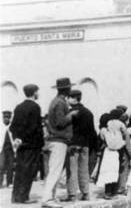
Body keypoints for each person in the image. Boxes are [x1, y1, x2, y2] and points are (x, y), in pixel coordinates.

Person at [42, 78, 78, 208]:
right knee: (55, 171)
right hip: (59, 140)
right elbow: (60, 122)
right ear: (67, 89)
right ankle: (47, 199)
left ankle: (51, 197)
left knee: (54, 170)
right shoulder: (60, 103)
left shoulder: (56, 101)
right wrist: (71, 115)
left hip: (55, 140)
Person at [9, 85, 43, 204]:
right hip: (31, 145)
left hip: (20, 145)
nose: (38, 94)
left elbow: (13, 126)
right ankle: (23, 197)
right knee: (29, 170)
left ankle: (16, 196)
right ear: (34, 93)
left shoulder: (18, 107)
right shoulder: (35, 107)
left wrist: (17, 139)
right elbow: (34, 128)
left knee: (19, 169)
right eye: (37, 92)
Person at [63, 90, 96, 201]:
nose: (67, 100)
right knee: (84, 169)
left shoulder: (70, 112)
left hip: (73, 144)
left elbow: (66, 129)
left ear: (74, 99)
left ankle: (72, 195)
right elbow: (92, 131)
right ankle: (85, 193)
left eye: (69, 98)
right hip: (85, 145)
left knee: (72, 170)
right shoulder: (88, 112)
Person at [96, 109, 131, 199]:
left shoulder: (107, 125)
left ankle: (107, 192)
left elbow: (103, 137)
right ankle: (113, 192)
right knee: (116, 171)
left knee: (108, 171)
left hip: (107, 151)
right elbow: (126, 138)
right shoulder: (121, 124)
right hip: (118, 151)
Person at [0, 111, 15, 188]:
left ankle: (9, 182)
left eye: (8, 117)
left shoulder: (12, 127)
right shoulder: (1, 127)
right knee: (1, 166)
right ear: (2, 118)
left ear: (10, 118)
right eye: (5, 117)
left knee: (10, 166)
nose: (6, 119)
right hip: (2, 149)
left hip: (10, 149)